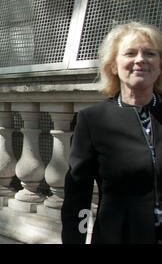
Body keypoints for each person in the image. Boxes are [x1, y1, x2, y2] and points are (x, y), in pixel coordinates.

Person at [61, 22, 162, 244]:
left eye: (150, 53)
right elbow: (78, 196)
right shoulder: (93, 120)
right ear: (114, 66)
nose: (140, 60)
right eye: (130, 53)